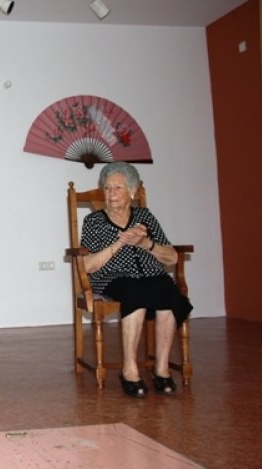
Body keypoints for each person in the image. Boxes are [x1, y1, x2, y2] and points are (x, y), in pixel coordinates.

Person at [80, 162, 193, 398]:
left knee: (168, 292)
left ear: (132, 191)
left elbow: (171, 257)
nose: (110, 194)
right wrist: (120, 242)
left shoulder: (145, 216)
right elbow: (88, 265)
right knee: (135, 292)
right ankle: (129, 369)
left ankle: (161, 370)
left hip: (152, 275)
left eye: (117, 188)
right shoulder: (94, 222)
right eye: (107, 188)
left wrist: (144, 243)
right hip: (114, 278)